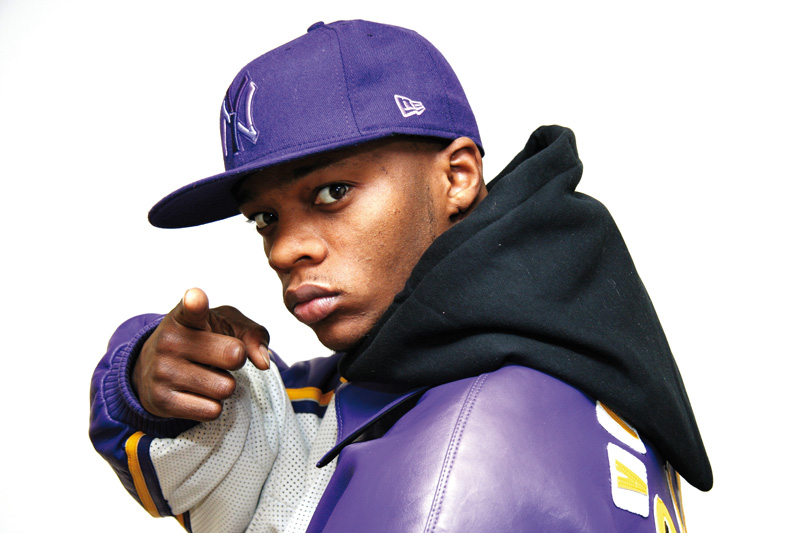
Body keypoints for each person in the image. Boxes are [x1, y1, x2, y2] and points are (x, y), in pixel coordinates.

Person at [90, 19, 712, 532]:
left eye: (332, 191)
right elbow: (273, 444)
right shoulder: (527, 352)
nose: (284, 250)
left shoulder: (475, 437)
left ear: (457, 176)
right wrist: (149, 378)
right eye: (264, 219)